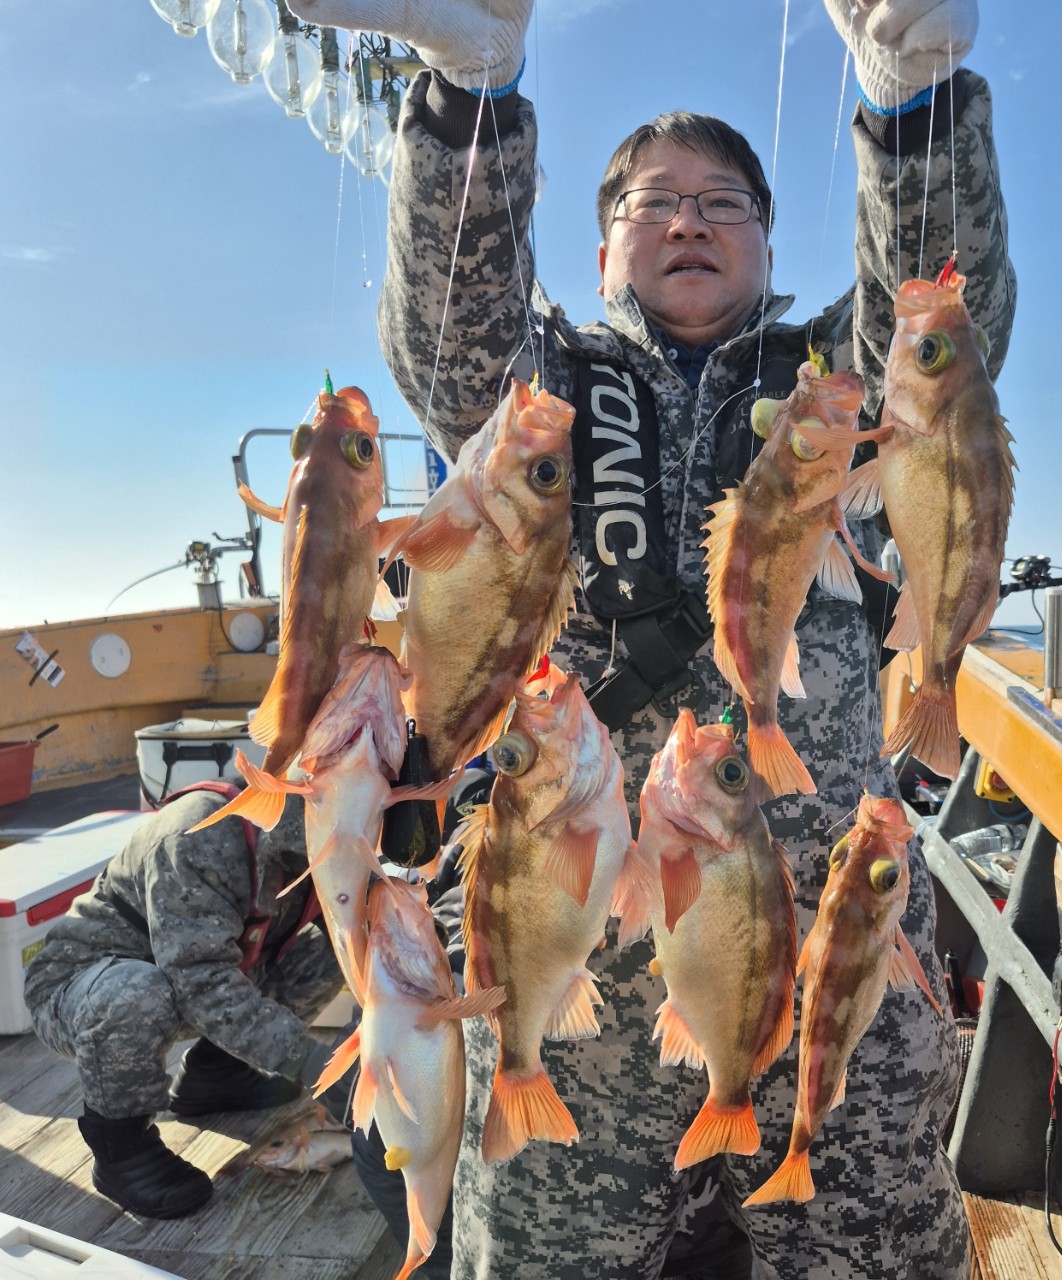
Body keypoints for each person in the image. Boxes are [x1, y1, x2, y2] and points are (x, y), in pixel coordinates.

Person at [288, 0, 1015, 1275]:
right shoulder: (539, 388)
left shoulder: (837, 384)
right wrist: (470, 92)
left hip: (823, 957)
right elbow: (443, 330)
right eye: (652, 204)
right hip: (567, 978)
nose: (688, 222)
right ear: (603, 246)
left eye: (723, 203)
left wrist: (914, 101)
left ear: (766, 240)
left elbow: (953, 321)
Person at [24, 791, 342, 1219]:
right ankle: (122, 1146)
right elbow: (201, 982)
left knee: (334, 950)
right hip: (85, 987)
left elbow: (372, 938)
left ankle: (218, 1075)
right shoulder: (198, 834)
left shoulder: (329, 846)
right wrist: (318, 1066)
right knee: (137, 991)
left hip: (188, 979)